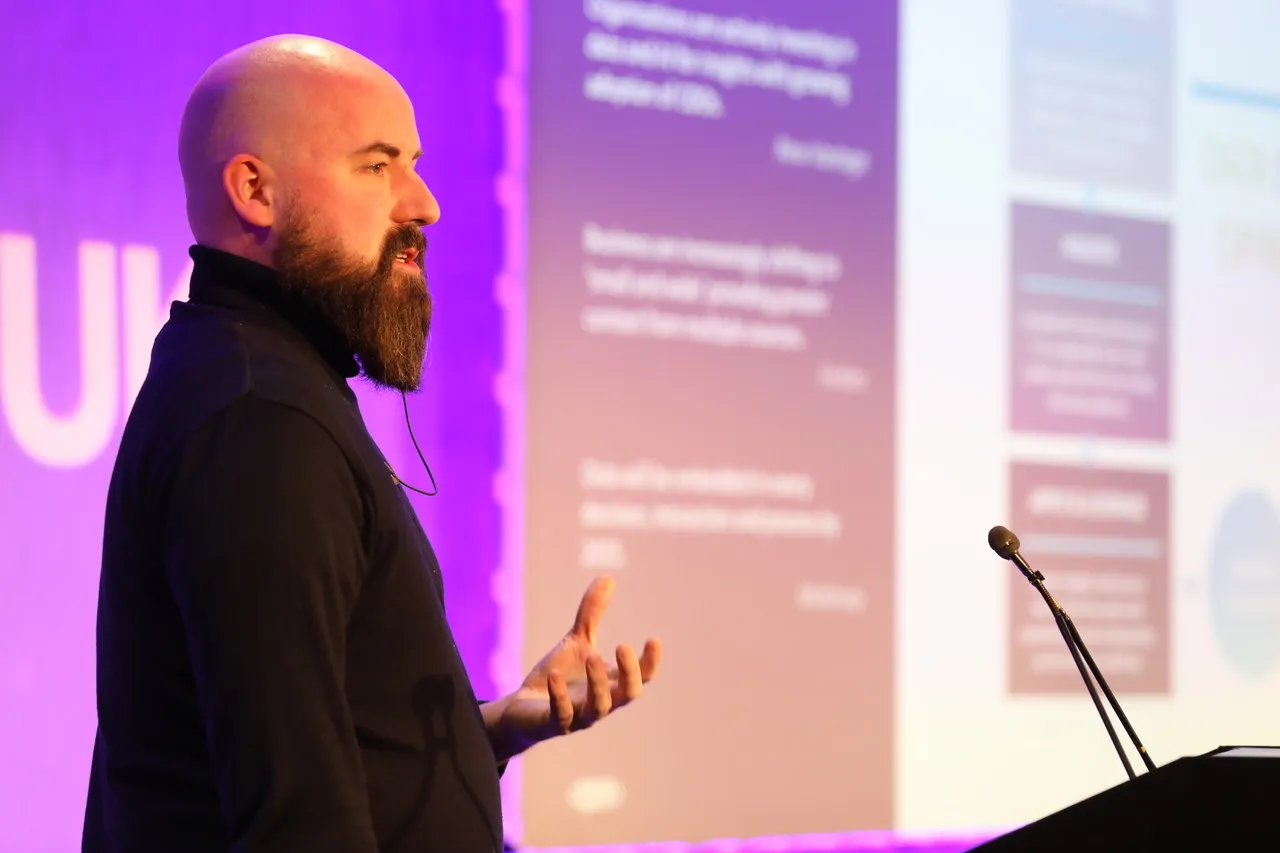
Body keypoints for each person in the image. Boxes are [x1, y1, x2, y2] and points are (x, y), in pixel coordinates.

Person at [81, 34, 661, 852]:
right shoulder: (260, 420)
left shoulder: (257, 379)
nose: (423, 203)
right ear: (255, 191)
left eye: (413, 164)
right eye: (377, 165)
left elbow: (310, 744)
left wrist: (486, 727)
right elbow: (297, 819)